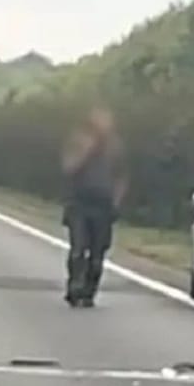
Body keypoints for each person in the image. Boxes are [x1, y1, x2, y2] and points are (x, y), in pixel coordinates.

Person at [60, 106, 127, 308]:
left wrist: (116, 202)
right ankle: (74, 287)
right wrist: (86, 151)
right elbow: (68, 168)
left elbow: (121, 176)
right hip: (79, 204)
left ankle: (89, 291)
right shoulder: (79, 140)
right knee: (78, 249)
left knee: (98, 254)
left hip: (103, 206)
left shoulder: (115, 147)